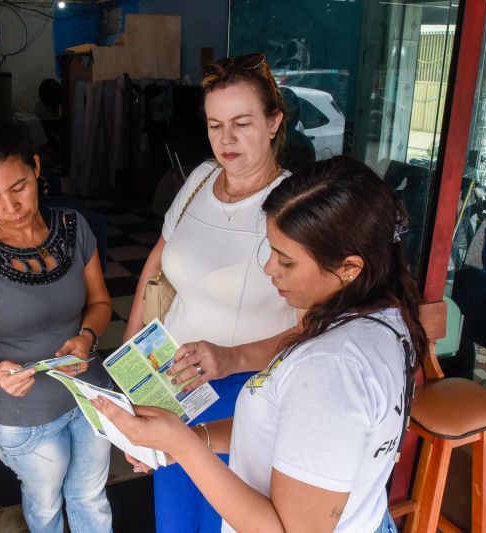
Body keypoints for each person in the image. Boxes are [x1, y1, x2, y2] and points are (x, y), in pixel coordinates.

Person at [97, 156, 428, 533]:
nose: (269, 268)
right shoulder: (382, 317)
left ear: (349, 268)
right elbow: (285, 433)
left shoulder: (330, 368)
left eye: (286, 261)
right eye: (270, 250)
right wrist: (190, 437)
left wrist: (184, 447)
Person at [123, 52, 297, 532]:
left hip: (243, 392)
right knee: (176, 513)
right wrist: (130, 348)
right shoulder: (200, 179)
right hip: (172, 381)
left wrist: (232, 357)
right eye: (215, 124)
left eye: (242, 123)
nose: (227, 139)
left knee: (226, 519)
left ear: (274, 122)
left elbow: (315, 328)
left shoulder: (296, 205)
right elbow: (158, 261)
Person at [0, 120, 113, 533]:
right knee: (44, 507)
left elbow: (99, 302)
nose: (10, 206)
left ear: (36, 168)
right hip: (24, 417)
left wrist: (87, 338)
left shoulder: (74, 228)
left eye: (18, 187)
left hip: (89, 394)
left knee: (91, 498)